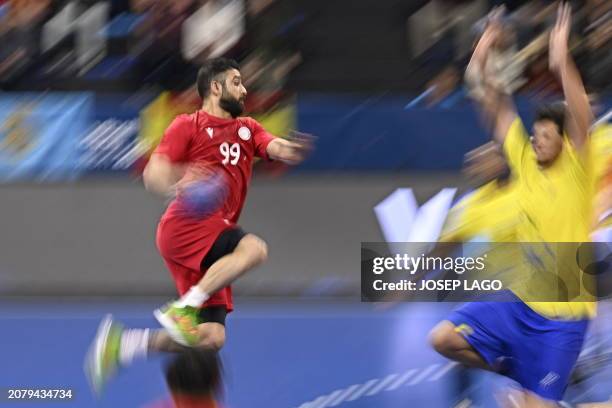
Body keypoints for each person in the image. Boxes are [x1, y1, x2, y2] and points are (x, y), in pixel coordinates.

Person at [85, 57, 312, 393]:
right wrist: (181, 184)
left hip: (213, 233)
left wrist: (289, 150)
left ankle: (124, 344)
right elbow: (154, 173)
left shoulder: (247, 128)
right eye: (236, 82)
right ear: (215, 87)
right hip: (187, 226)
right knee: (255, 249)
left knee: (211, 338)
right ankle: (185, 306)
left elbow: (273, 145)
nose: (244, 88)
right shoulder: (187, 125)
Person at [430, 4, 596, 406]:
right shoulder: (524, 162)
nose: (536, 140)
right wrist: (483, 49)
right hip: (519, 305)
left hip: (564, 319)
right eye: (534, 134)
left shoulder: (577, 168)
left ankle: (545, 391)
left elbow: (581, 115)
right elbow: (491, 99)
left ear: (563, 142)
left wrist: (561, 60)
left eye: (544, 135)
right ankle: (520, 369)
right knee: (444, 339)